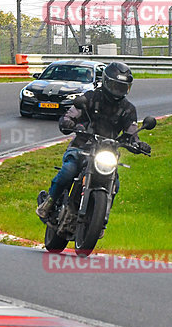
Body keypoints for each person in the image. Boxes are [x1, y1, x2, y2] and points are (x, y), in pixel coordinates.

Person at [36, 62, 151, 221]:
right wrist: (68, 122)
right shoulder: (90, 97)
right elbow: (71, 115)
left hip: (107, 152)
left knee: (115, 184)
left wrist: (138, 144)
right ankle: (49, 202)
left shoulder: (128, 109)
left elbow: (132, 132)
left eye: (122, 86)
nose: (118, 90)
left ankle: (101, 219)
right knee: (68, 171)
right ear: (106, 81)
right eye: (115, 85)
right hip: (81, 147)